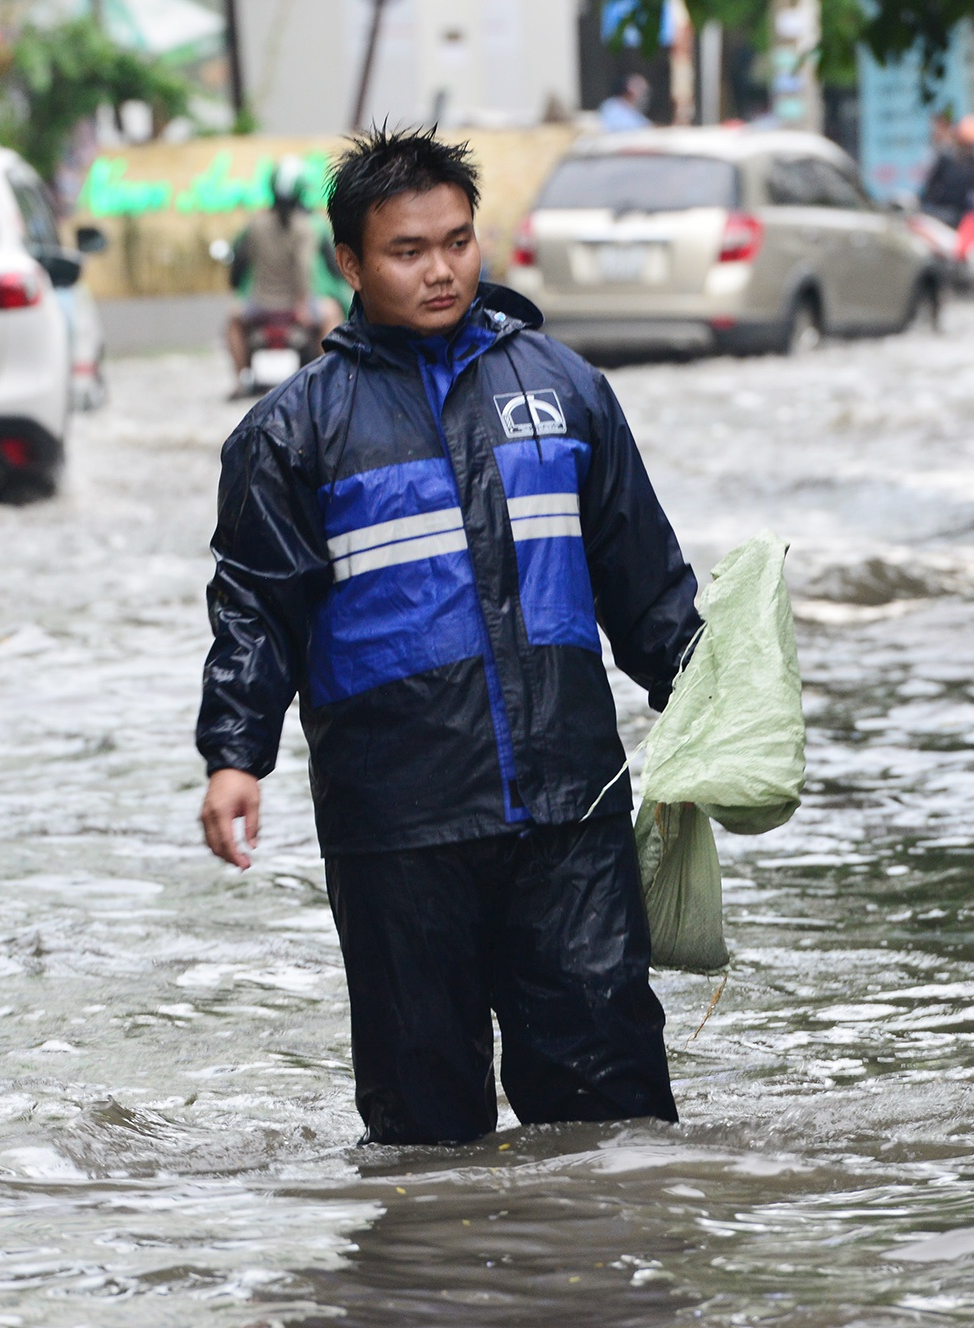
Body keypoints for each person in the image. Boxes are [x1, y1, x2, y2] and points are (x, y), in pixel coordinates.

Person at [196, 127, 700, 1146]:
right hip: (399, 826)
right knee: (424, 1138)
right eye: (408, 250)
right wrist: (234, 755)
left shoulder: (565, 391)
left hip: (570, 807)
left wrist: (711, 700)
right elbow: (255, 607)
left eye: (458, 242)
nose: (441, 270)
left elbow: (643, 576)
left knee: (613, 1121)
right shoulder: (291, 434)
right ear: (349, 263)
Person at [224, 156, 342, 399]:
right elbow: (303, 268)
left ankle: (240, 380)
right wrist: (302, 303)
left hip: (260, 304)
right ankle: (329, 382)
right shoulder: (307, 227)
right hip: (296, 306)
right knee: (332, 315)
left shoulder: (255, 225)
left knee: (233, 320)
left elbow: (240, 262)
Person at [919, 112, 974, 227]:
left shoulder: (972, 160)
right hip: (943, 210)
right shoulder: (948, 157)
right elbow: (933, 184)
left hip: (958, 211)